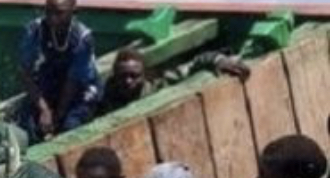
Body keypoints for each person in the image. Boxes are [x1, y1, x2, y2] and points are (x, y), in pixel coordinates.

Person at [18, 0, 102, 140]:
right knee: (28, 124)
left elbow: (74, 81)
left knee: (70, 126)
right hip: (53, 80)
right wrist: (44, 109)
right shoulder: (35, 30)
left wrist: (57, 117)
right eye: (48, 11)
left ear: (74, 12)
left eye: (59, 13)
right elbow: (25, 72)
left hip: (80, 87)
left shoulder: (83, 39)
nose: (52, 18)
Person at [98, 47, 252, 116]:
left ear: (144, 75)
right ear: (114, 75)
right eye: (123, 76)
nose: (128, 81)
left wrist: (219, 59)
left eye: (134, 75)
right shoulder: (102, 99)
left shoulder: (158, 88)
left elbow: (193, 64)